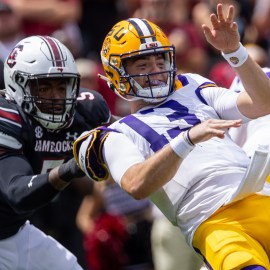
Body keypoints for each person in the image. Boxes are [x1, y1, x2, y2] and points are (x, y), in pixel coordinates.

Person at [72, 3, 270, 270]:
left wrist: (235, 52)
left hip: (261, 194)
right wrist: (186, 140)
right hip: (214, 220)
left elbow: (264, 104)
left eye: (160, 60)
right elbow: (136, 184)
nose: (156, 70)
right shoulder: (117, 134)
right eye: (143, 64)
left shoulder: (192, 87)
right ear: (116, 74)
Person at [0, 35, 113, 269]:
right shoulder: (7, 117)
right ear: (17, 83)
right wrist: (71, 169)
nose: (55, 97)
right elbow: (18, 193)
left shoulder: (84, 112)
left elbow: (134, 133)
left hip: (13, 232)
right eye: (44, 87)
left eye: (62, 86)